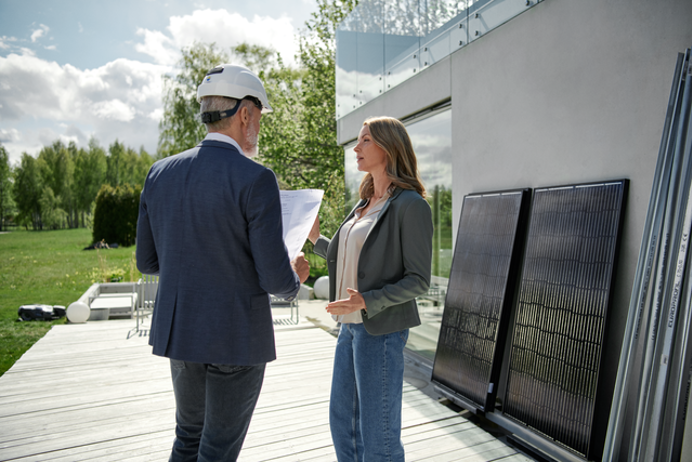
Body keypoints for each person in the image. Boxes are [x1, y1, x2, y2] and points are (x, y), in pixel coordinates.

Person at [136, 63, 310, 462]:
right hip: (235, 337)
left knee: (188, 437)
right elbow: (274, 278)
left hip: (181, 333)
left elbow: (148, 261)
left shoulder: (158, 173)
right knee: (217, 449)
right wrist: (294, 278)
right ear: (245, 113)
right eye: (260, 116)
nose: (259, 127)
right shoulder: (255, 179)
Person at [308, 116, 433, 461]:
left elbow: (419, 279)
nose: (356, 148)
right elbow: (350, 256)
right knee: (343, 425)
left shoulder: (411, 206)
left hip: (381, 332)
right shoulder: (364, 204)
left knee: (378, 436)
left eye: (365, 140)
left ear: (388, 146)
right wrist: (316, 238)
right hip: (349, 331)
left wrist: (367, 300)